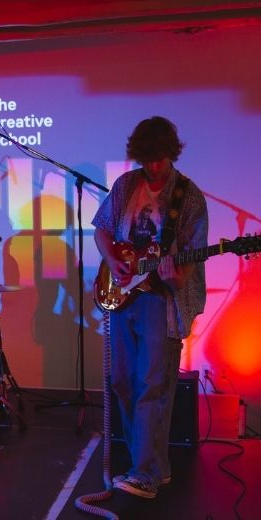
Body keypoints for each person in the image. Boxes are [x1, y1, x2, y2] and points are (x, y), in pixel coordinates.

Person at [92, 116, 207, 499]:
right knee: (123, 382)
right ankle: (155, 465)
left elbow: (187, 265)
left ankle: (143, 472)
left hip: (162, 302)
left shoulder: (187, 196)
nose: (154, 167)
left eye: (159, 159)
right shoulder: (126, 185)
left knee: (152, 387)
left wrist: (175, 273)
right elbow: (102, 229)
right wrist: (112, 262)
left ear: (171, 154)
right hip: (125, 297)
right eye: (147, 159)